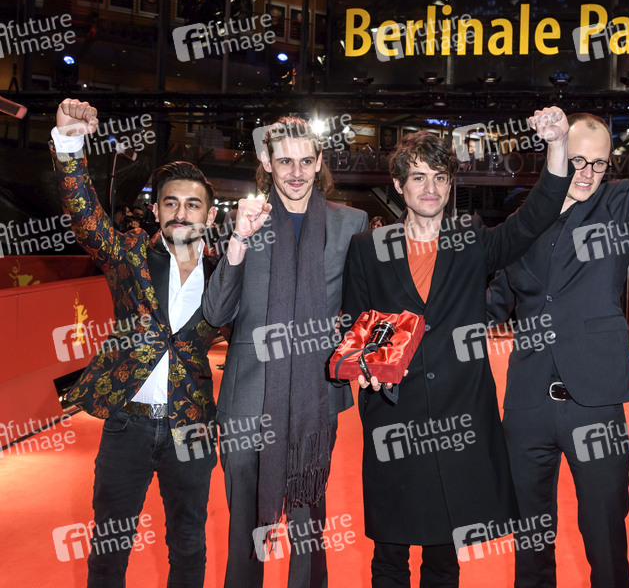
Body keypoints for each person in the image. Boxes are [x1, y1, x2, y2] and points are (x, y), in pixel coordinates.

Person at [485, 29, 629, 587]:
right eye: (576, 161)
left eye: (597, 163)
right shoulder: (522, 221)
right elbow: (489, 301)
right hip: (526, 405)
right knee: (530, 539)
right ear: (555, 157)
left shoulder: (618, 207)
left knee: (605, 537)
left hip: (595, 406)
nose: (586, 174)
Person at [340, 110, 572, 587]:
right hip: (393, 417)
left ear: (449, 186)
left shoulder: (472, 243)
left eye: (440, 178)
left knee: (443, 560)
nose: (430, 188)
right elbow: (356, 322)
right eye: (418, 177)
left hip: (457, 420)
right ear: (399, 186)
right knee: (389, 555)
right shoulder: (367, 247)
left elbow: (536, 216)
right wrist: (363, 366)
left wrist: (557, 146)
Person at [52, 98, 220, 587]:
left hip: (191, 428)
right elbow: (86, 218)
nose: (181, 213)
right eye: (171, 203)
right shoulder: (129, 255)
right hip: (127, 424)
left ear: (210, 215)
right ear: (156, 209)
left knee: (189, 545)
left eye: (192, 204)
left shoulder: (225, 273)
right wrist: (69, 145)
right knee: (110, 547)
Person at [203, 117, 368, 588]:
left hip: (314, 396)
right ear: (266, 161)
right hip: (247, 396)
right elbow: (216, 312)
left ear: (319, 163)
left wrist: (356, 348)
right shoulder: (244, 220)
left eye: (305, 161)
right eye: (285, 161)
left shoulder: (350, 223)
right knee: (244, 525)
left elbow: (361, 306)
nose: (296, 173)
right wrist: (239, 239)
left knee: (308, 521)